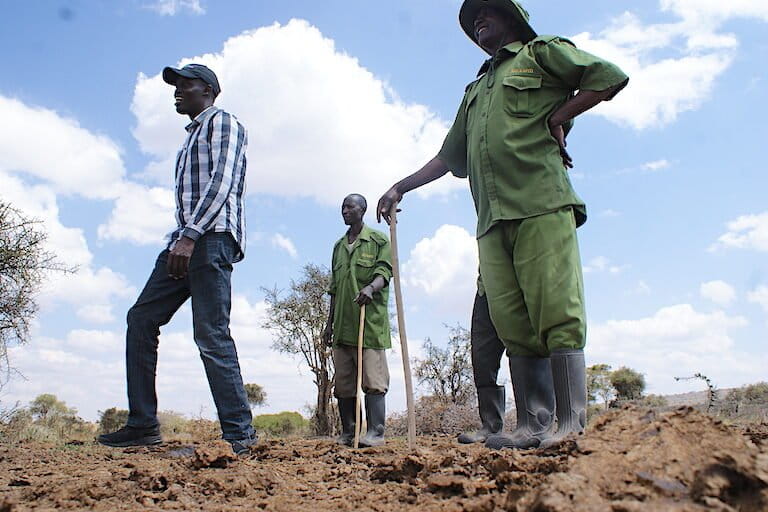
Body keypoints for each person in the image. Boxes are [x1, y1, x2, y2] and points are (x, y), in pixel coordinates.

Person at [377, 0, 628, 449]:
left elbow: (607, 76)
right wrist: (401, 186)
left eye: (486, 12)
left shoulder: (540, 54)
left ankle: (570, 424)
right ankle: (533, 426)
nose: (476, 21)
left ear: (512, 17)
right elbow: (449, 157)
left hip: (541, 203)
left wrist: (559, 116)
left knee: (556, 310)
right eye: (472, 20)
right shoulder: (474, 92)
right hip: (491, 221)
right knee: (513, 323)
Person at [98, 64, 256, 455]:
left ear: (208, 89)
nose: (177, 91)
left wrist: (190, 235)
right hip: (184, 242)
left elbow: (223, 181)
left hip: (209, 238)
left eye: (185, 85)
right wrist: (180, 240)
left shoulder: (224, 123)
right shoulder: (190, 139)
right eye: (176, 86)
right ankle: (142, 424)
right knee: (141, 317)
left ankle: (239, 435)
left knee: (210, 333)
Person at [323, 194, 392, 447]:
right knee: (343, 383)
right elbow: (333, 288)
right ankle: (349, 432)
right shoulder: (338, 247)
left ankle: (376, 432)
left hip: (369, 325)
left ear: (362, 210)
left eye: (350, 206)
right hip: (343, 326)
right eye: (342, 207)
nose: (344, 211)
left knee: (373, 381)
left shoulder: (378, 240)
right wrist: (328, 325)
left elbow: (385, 271)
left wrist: (371, 289)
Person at [457, 276, 506, 444]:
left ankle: (535, 424)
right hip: (487, 285)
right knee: (482, 355)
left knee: (526, 347)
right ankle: (490, 426)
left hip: (522, 279)